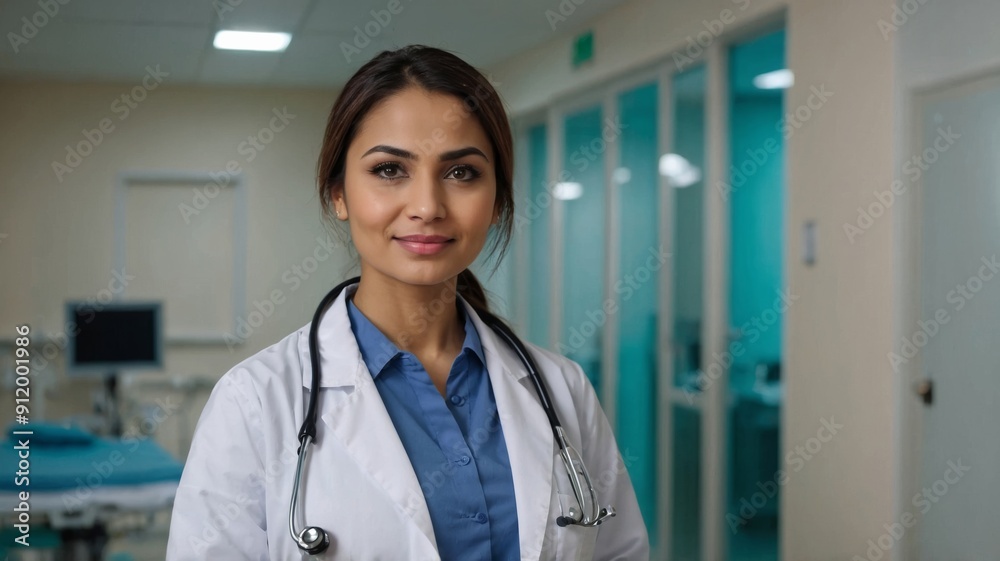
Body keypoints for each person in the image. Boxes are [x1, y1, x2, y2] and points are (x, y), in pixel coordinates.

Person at [166, 44, 649, 561]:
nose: (427, 207)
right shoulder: (254, 403)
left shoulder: (562, 389)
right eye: (390, 170)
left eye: (461, 172)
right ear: (339, 193)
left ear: (497, 201)